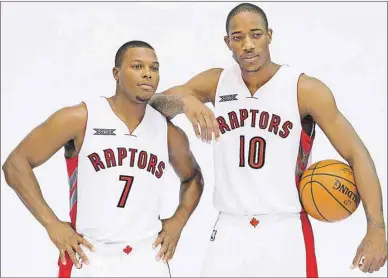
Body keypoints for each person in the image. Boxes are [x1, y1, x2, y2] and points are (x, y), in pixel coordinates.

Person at [149, 3, 387, 277]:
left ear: (269, 35)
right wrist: (184, 101)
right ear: (228, 42)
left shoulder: (304, 89)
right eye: (237, 37)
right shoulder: (216, 83)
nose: (248, 44)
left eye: (256, 34)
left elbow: (357, 153)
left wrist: (376, 228)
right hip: (229, 229)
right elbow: (151, 108)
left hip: (285, 230)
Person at [2, 40, 204, 277]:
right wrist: (52, 224)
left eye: (154, 68)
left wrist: (179, 221)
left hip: (147, 257)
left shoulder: (167, 132)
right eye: (137, 66)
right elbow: (16, 164)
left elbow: (193, 178)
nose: (148, 74)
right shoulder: (80, 117)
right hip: (89, 255)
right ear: (116, 73)